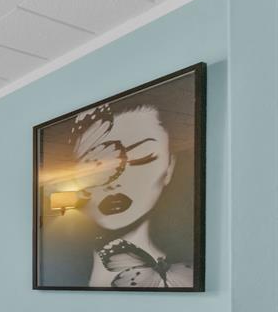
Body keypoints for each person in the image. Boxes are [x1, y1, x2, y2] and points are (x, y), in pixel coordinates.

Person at [68, 101, 194, 288]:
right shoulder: (55, 262)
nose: (114, 181)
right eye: (98, 166)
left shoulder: (188, 271)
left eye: (141, 158)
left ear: (169, 167)